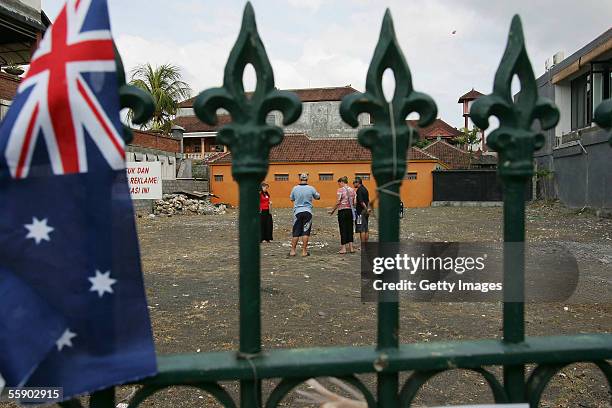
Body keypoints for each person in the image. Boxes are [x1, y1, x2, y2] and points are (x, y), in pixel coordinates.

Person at [289, 173, 321, 257]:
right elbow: (317, 197)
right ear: (307, 179)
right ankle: (304, 251)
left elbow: (291, 198)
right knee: (305, 232)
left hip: (297, 212)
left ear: (300, 179)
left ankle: (292, 251)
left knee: (296, 232)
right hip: (308, 212)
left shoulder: (295, 188)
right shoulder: (311, 188)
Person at [329, 176, 355, 254]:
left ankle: (343, 248)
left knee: (343, 229)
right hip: (350, 211)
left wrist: (332, 211)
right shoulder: (352, 190)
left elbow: (338, 202)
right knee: (350, 228)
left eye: (339, 183)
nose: (339, 185)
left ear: (341, 182)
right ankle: (351, 247)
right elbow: (355, 202)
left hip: (342, 211)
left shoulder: (340, 190)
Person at [353, 177, 370, 249]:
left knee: (361, 229)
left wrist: (366, 209)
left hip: (361, 212)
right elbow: (368, 201)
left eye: (354, 183)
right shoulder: (365, 189)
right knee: (366, 228)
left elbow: (361, 202)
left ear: (358, 183)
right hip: (365, 212)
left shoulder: (359, 190)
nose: (353, 184)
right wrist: (368, 209)